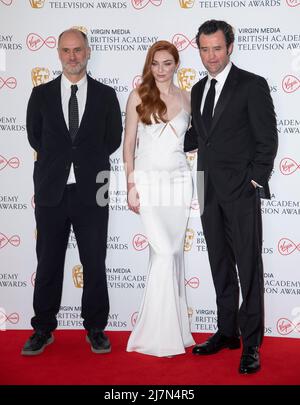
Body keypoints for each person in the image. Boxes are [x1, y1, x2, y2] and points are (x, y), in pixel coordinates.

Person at [184, 20, 278, 373]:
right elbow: (198, 138)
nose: (211, 56)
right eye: (205, 49)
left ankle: (251, 343)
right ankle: (227, 332)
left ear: (230, 46)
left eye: (217, 48)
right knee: (220, 264)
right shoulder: (196, 89)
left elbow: (267, 139)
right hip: (207, 188)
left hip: (241, 190)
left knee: (248, 268)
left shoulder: (251, 85)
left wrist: (254, 181)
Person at [22, 29, 122, 356]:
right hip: (52, 192)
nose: (72, 56)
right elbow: (36, 139)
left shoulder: (106, 95)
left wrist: (84, 164)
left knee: (94, 262)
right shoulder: (41, 94)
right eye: (66, 50)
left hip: (93, 191)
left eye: (78, 50)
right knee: (48, 261)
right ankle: (43, 328)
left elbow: (113, 140)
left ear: (88, 51)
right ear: (58, 53)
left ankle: (95, 328)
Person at [123, 40, 195, 357]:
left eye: (167, 63)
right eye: (155, 63)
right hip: (148, 182)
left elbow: (194, 140)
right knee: (164, 253)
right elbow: (128, 146)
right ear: (149, 65)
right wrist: (130, 184)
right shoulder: (138, 96)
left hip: (180, 183)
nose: (161, 69)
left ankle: (177, 330)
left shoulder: (189, 99)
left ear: (176, 65)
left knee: (172, 256)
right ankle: (158, 335)